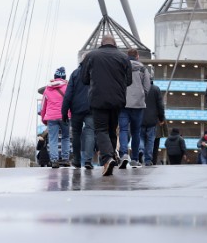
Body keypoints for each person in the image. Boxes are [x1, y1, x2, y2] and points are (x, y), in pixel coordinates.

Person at [81, 34, 133, 175]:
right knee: (111, 129)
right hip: (117, 100)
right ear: (115, 44)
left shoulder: (92, 56)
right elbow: (129, 81)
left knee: (101, 130)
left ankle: (108, 158)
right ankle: (111, 157)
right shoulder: (124, 58)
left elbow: (84, 79)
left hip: (98, 99)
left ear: (102, 43)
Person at [118, 48, 150, 170]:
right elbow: (147, 86)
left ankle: (124, 154)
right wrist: (142, 95)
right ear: (137, 56)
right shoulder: (142, 68)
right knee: (136, 132)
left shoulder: (122, 67)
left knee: (123, 130)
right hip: (138, 104)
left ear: (127, 56)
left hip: (123, 103)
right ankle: (135, 159)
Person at [62, 56, 96, 170]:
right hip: (91, 108)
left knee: (76, 133)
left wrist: (64, 112)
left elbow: (68, 94)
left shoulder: (75, 74)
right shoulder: (95, 74)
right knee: (90, 132)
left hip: (76, 109)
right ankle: (88, 160)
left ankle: (77, 160)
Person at [38, 67, 69, 168]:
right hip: (65, 116)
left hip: (51, 117)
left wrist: (43, 118)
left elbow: (43, 106)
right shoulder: (67, 87)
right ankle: (65, 159)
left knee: (53, 139)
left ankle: (54, 160)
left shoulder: (48, 88)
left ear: (55, 77)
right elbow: (71, 102)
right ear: (64, 77)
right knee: (65, 137)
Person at [140, 80, 165, 166]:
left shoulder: (139, 88)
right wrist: (161, 118)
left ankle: (141, 150)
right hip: (152, 120)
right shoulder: (156, 89)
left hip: (140, 118)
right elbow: (160, 105)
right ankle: (148, 160)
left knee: (141, 138)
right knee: (151, 140)